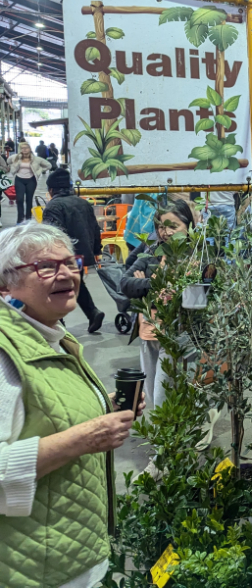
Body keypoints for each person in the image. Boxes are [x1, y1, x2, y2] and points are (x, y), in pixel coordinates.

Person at [0, 223, 143, 587]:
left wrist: (102, 406)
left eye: (71, 262)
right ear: (6, 284)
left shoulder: (50, 336)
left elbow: (48, 412)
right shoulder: (6, 354)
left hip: (70, 553)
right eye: (45, 267)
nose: (66, 273)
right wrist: (85, 437)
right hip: (33, 568)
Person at [121, 199, 198, 416]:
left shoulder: (198, 255)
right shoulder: (151, 251)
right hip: (149, 331)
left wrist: (147, 286)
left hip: (179, 334)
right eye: (161, 226)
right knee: (154, 394)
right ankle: (165, 443)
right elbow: (125, 283)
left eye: (173, 226)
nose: (166, 232)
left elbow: (190, 297)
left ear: (188, 224)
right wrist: (153, 284)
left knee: (168, 393)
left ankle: (172, 443)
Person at [41, 169, 105, 334]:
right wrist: (97, 250)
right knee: (76, 283)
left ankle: (58, 324)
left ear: (51, 190)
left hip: (63, 257)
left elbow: (53, 235)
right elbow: (95, 229)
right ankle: (92, 313)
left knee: (56, 287)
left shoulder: (53, 206)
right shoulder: (82, 203)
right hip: (82, 254)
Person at [13, 142, 51, 224]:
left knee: (29, 200)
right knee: (19, 199)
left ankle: (28, 219)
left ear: (30, 149)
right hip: (19, 179)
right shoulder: (16, 158)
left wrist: (40, 170)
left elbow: (49, 165)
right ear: (20, 149)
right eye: (22, 148)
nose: (24, 149)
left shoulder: (36, 159)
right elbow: (8, 162)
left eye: (26, 147)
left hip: (31, 180)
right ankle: (20, 219)